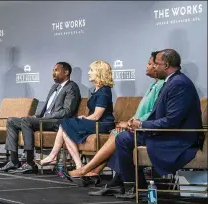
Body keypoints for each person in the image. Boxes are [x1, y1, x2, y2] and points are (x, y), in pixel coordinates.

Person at [89, 49, 203, 197]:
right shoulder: (172, 82)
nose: (154, 67)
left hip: (179, 138)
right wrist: (136, 124)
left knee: (124, 139)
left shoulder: (179, 84)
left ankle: (133, 186)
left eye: (156, 64)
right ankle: (124, 184)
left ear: (166, 65)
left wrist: (141, 125)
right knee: (125, 136)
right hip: (168, 132)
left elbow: (171, 121)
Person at [66, 52, 165, 184]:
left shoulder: (163, 86)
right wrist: (130, 122)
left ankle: (86, 170)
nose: (147, 66)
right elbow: (141, 113)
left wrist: (132, 124)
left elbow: (153, 113)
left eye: (150, 64)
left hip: (147, 130)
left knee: (118, 136)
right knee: (117, 134)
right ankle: (94, 172)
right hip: (138, 126)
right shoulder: (153, 85)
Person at [0, 62, 81, 174]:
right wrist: (37, 116)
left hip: (58, 122)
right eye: (53, 70)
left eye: (56, 70)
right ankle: (13, 161)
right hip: (46, 119)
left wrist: (47, 116)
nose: (53, 73)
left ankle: (30, 163)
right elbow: (47, 107)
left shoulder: (72, 87)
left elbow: (67, 111)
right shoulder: (55, 87)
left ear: (66, 72)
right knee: (11, 121)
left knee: (26, 121)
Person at [39, 60, 115, 171]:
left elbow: (96, 116)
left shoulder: (104, 91)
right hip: (95, 123)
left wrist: (85, 119)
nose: (89, 73)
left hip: (103, 125)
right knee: (65, 129)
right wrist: (85, 118)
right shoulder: (97, 89)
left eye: (91, 70)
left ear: (99, 72)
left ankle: (53, 156)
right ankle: (79, 165)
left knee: (65, 124)